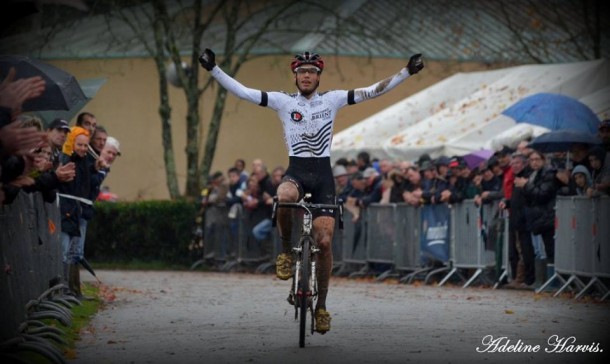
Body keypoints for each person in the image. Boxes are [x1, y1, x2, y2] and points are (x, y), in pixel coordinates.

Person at [199, 48, 424, 333]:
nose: (306, 76)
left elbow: (371, 91)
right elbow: (244, 92)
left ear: (318, 76)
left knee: (325, 243)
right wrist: (214, 69)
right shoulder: (283, 101)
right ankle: (285, 252)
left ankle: (321, 308)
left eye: (312, 72)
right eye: (302, 71)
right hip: (296, 172)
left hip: (322, 178)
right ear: (295, 75)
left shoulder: (332, 100)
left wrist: (406, 71)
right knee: (285, 196)